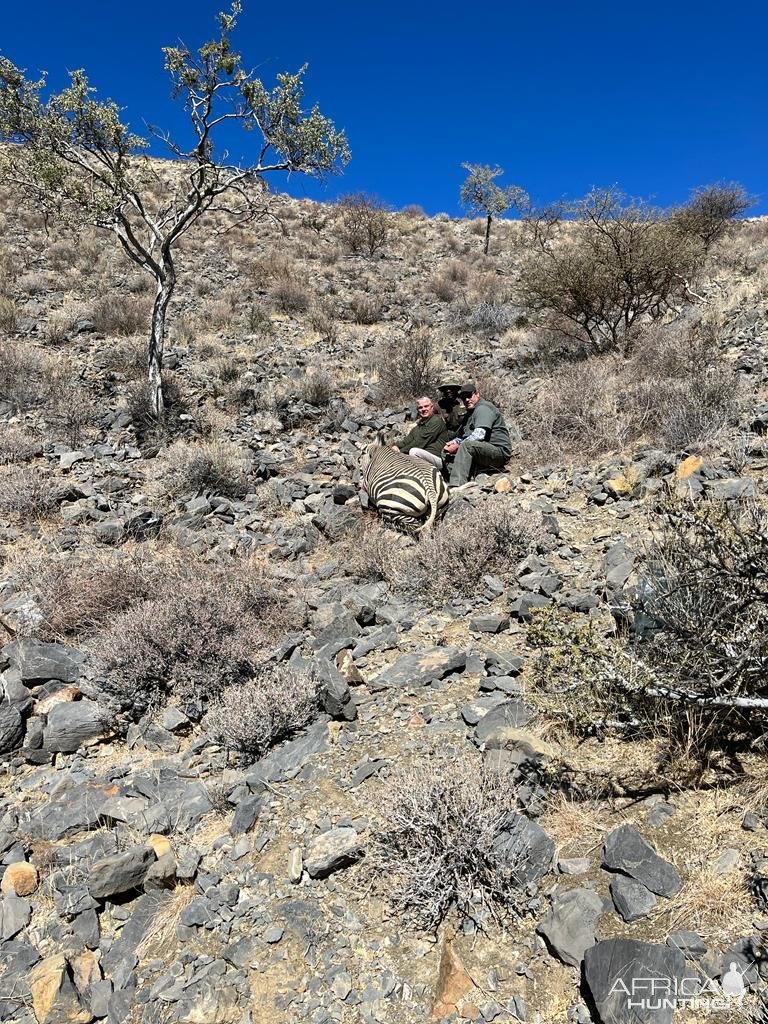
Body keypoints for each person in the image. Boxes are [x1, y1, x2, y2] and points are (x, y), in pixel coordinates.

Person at [443, 381, 511, 488]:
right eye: (463, 397)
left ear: (477, 394)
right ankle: (449, 479)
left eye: (469, 396)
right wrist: (453, 443)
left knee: (466, 446)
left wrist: (458, 446)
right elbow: (463, 436)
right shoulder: (470, 413)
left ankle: (457, 486)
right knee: (446, 451)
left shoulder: (483, 408)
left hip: (498, 452)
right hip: (482, 450)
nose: (466, 400)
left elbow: (479, 435)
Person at [391, 395, 451, 469]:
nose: (423, 409)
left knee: (414, 452)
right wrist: (394, 446)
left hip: (439, 458)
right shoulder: (418, 426)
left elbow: (419, 443)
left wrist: (399, 452)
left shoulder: (436, 422)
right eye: (420, 407)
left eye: (426, 406)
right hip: (423, 456)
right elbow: (406, 441)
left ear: (432, 407)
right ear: (418, 410)